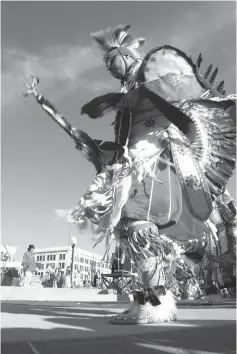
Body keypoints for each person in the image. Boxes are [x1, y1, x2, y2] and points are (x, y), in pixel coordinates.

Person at [23, 24, 236, 324]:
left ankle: (156, 302)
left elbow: (181, 97)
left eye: (112, 62)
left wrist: (140, 97)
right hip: (138, 164)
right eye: (107, 66)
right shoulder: (130, 94)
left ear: (125, 55)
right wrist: (43, 102)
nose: (110, 69)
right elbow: (83, 134)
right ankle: (150, 300)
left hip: (159, 162)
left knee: (137, 223)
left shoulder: (152, 73)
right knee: (128, 226)